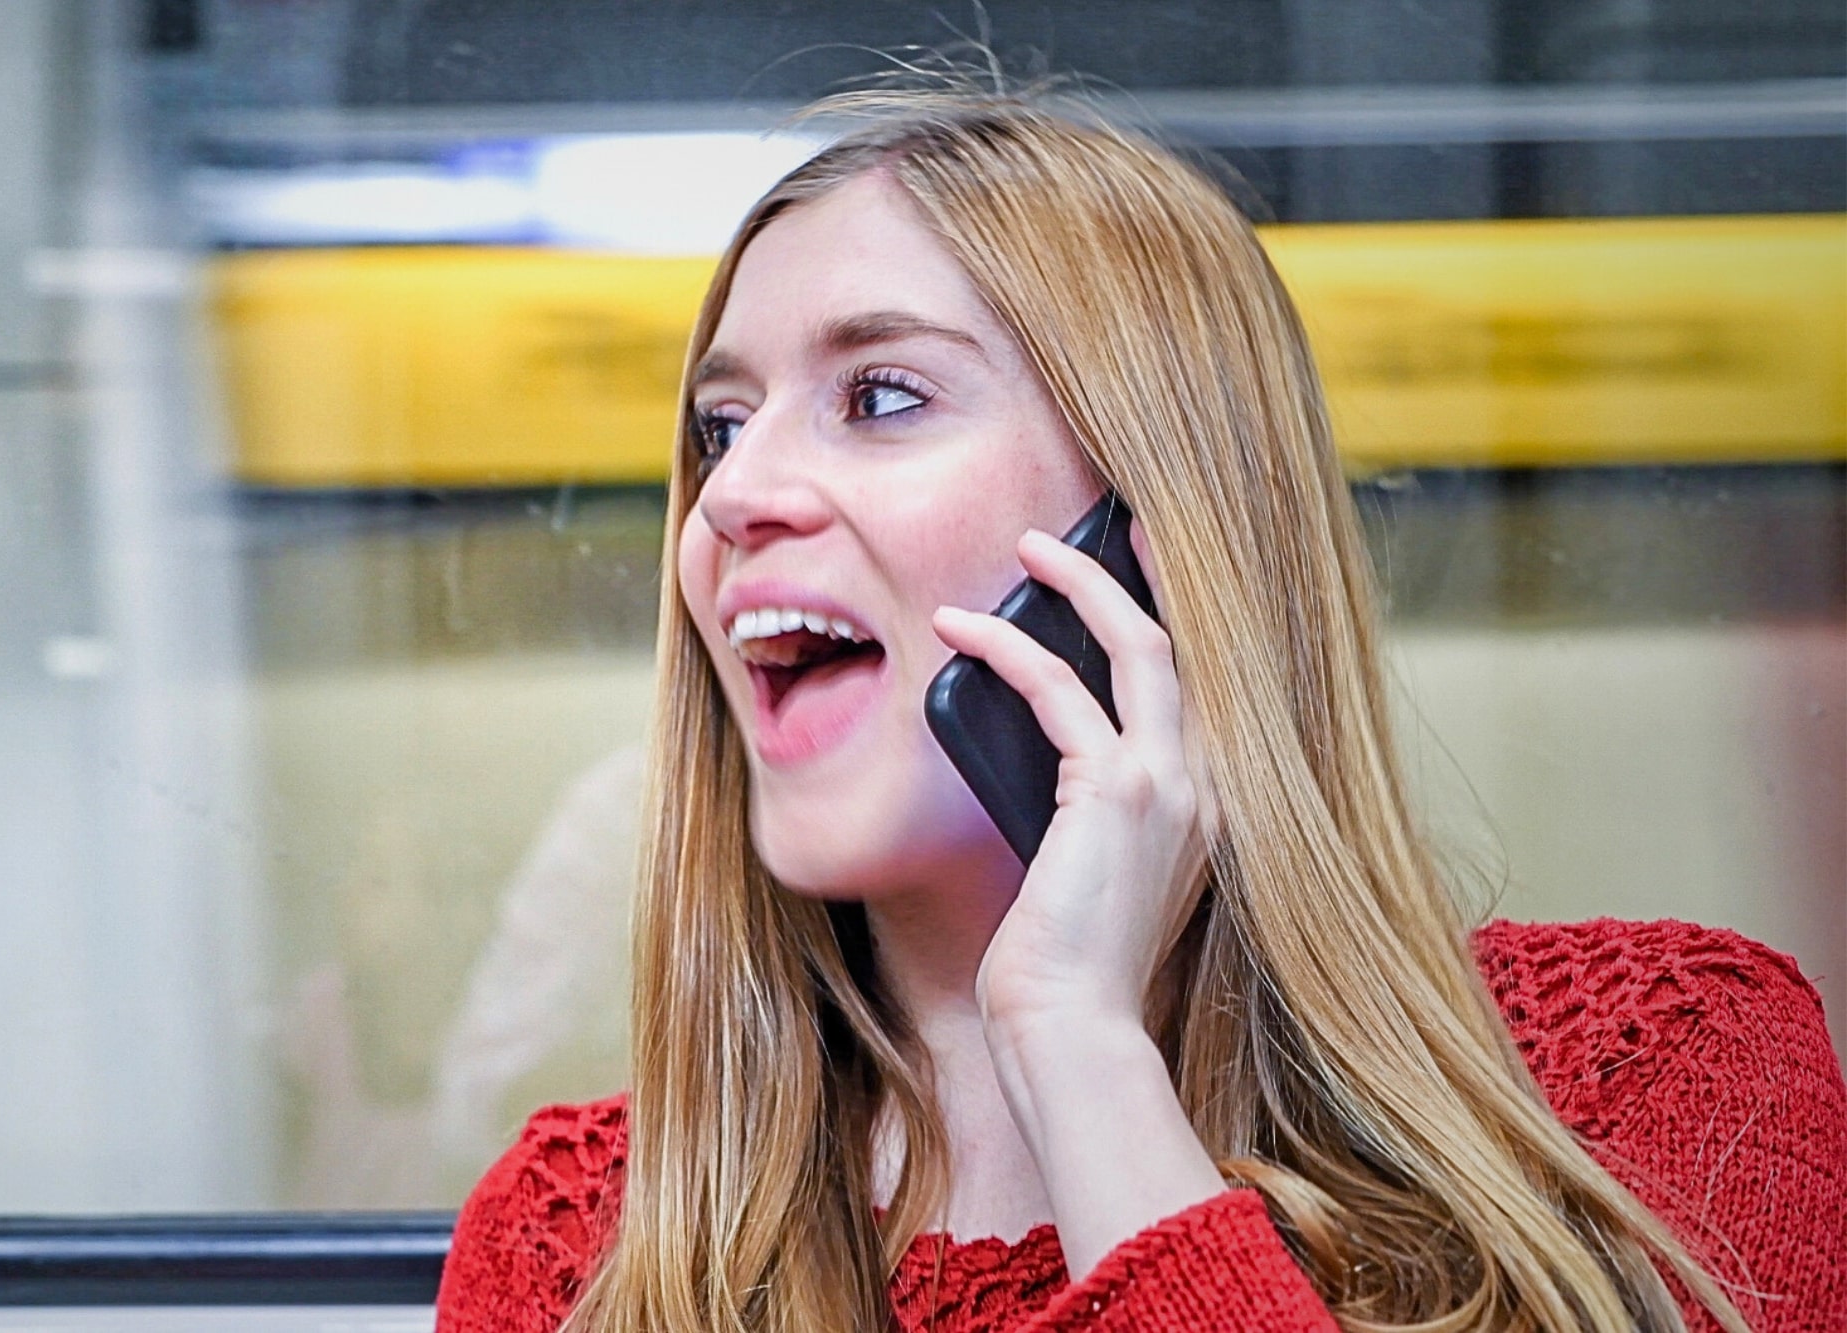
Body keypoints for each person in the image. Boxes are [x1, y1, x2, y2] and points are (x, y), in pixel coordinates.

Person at [435, 88, 1847, 1332]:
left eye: (880, 394)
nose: (731, 497)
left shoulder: (1652, 1081)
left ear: (1161, 540)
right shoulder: (575, 1246)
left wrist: (1081, 1046)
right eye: (721, 426)